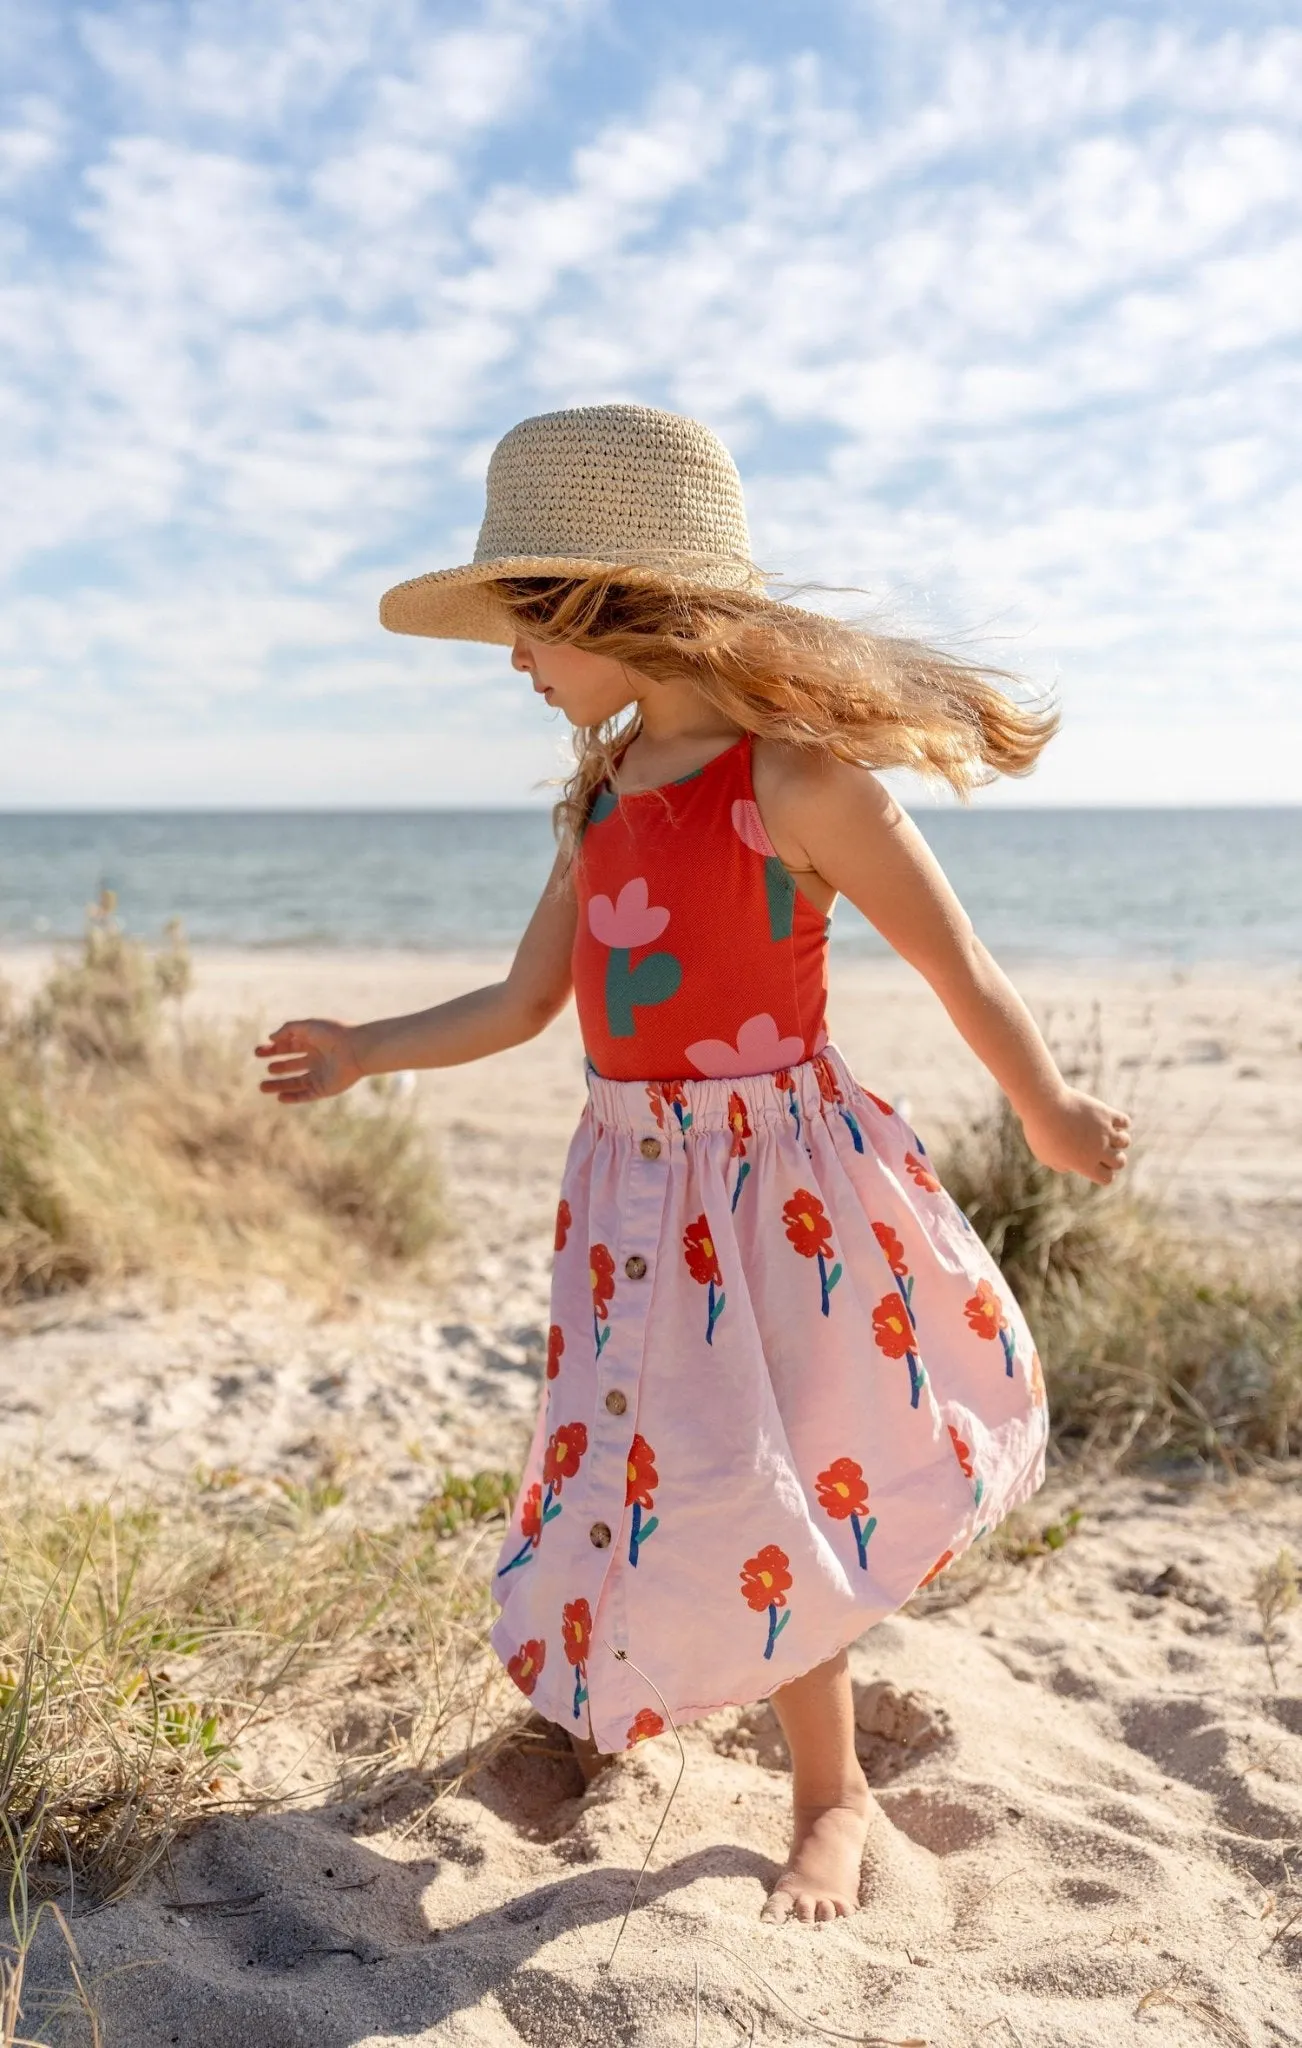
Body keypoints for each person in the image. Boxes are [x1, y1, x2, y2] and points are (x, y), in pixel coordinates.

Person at [255, 404, 1131, 1925]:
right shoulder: (599, 800)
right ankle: (606, 1697)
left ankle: (830, 1794)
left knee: (771, 1462)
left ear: (605, 606)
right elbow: (529, 1003)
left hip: (777, 1193)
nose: (517, 663)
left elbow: (959, 963)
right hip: (628, 1195)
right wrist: (365, 1046)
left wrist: (1048, 1113)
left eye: (526, 627)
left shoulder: (796, 785)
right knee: (625, 1454)